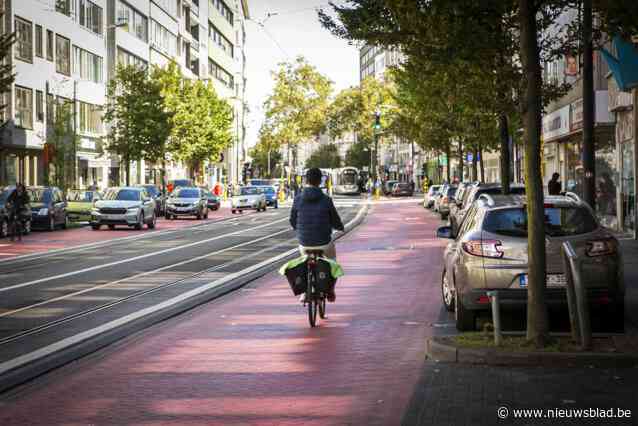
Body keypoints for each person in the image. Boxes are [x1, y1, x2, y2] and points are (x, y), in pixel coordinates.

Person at [290, 168, 345, 302]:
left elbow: (292, 220)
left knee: (304, 261)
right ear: (320, 181)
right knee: (333, 264)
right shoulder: (326, 199)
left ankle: (304, 292)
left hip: (304, 242)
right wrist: (340, 227)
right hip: (324, 242)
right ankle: (330, 290)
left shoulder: (298, 199)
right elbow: (335, 219)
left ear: (305, 180)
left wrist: (297, 228)